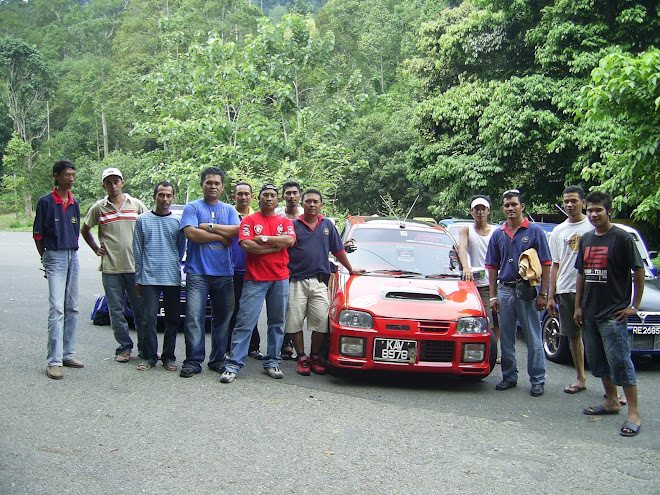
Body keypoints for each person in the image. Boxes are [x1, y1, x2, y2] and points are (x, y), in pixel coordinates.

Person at [574, 191, 644, 437]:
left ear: (609, 211)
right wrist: (578, 306)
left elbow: (638, 270)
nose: (593, 214)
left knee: (620, 362)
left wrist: (634, 305)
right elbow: (581, 273)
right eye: (590, 210)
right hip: (590, 312)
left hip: (613, 314)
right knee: (598, 361)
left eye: (598, 210)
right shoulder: (586, 239)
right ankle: (611, 401)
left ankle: (633, 413)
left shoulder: (622, 238)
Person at [220, 183, 296, 383]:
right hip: (254, 279)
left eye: (272, 195)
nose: (269, 198)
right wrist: (274, 246)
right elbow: (247, 245)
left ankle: (272, 362)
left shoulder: (285, 221)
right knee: (245, 322)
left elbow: (289, 241)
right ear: (258, 198)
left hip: (279, 279)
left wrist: (262, 238)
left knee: (277, 323)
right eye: (265, 195)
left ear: (277, 199)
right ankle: (233, 364)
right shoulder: (249, 220)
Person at [285, 189, 359, 376]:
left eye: (315, 201)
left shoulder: (327, 225)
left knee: (320, 322)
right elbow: (283, 250)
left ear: (321, 205)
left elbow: (338, 251)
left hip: (319, 282)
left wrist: (351, 269)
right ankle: (301, 357)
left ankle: (314, 356)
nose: (311, 204)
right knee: (294, 320)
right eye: (308, 201)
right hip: (296, 281)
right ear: (302, 204)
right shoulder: (293, 225)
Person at [485, 189, 551, 397]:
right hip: (505, 290)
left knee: (532, 336)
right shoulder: (498, 234)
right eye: (506, 205)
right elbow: (492, 266)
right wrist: (493, 295)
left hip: (527, 290)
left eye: (514, 204)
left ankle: (537, 379)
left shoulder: (535, 232)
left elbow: (546, 264)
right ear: (502, 209)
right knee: (506, 337)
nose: (510, 208)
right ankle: (509, 376)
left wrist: (544, 294)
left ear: (522, 207)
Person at [178, 167, 240, 378]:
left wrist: (209, 227)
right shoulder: (192, 207)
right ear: (202, 185)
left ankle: (217, 360)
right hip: (197, 273)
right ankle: (193, 361)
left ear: (222, 187)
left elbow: (237, 232)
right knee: (193, 318)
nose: (213, 186)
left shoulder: (230, 209)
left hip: (224, 274)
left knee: (222, 319)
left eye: (217, 183)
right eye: (208, 182)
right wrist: (220, 236)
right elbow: (191, 233)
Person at [81, 167, 147, 362]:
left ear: (122, 183)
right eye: (108, 182)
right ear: (104, 185)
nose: (113, 185)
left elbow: (147, 227)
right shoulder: (98, 208)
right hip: (111, 268)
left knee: (140, 310)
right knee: (115, 310)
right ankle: (124, 347)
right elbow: (85, 229)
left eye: (116, 181)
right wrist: (95, 248)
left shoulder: (135, 205)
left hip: (135, 267)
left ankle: (145, 349)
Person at [33, 160, 83, 379]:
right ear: (56, 176)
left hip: (73, 255)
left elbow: (75, 231)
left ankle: (67, 354)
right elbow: (37, 234)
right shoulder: (45, 202)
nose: (71, 178)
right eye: (67, 175)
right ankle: (53, 361)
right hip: (54, 255)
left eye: (73, 174)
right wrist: (45, 258)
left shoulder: (75, 202)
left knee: (72, 307)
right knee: (57, 308)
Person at [133, 181, 186, 371]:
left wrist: (171, 264)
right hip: (148, 277)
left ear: (173, 198)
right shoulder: (142, 220)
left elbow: (181, 249)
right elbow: (137, 250)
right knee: (148, 319)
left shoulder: (178, 222)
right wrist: (139, 277)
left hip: (171, 276)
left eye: (169, 195)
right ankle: (149, 356)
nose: (165, 199)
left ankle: (169, 356)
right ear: (155, 196)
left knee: (172, 319)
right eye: (161, 195)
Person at [546, 186, 593, 394]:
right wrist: (550, 295)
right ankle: (580, 378)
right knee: (574, 336)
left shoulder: (593, 226)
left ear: (583, 202)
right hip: (566, 288)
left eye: (573, 201)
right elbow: (555, 264)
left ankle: (614, 388)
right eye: (566, 202)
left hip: (593, 289)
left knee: (600, 337)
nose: (569, 205)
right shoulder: (558, 231)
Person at [457, 195, 499, 362]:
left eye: (483, 209)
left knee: (495, 319)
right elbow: (462, 248)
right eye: (477, 209)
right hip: (474, 283)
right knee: (476, 319)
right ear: (471, 211)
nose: (480, 212)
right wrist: (466, 267)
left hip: (493, 282)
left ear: (488, 211)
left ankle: (494, 351)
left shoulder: (496, 231)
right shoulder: (466, 229)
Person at [227, 181, 263, 359]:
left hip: (252, 271)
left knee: (251, 311)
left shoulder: (257, 218)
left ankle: (253, 347)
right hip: (230, 271)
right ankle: (230, 348)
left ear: (252, 197)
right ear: (234, 196)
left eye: (246, 194)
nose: (243, 197)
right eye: (239, 194)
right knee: (231, 311)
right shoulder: (228, 215)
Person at [275, 180, 303, 359]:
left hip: (300, 266)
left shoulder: (305, 214)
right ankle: (281, 342)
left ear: (300, 195)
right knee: (281, 306)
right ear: (283, 196)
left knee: (295, 306)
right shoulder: (277, 214)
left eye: (295, 193)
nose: (292, 196)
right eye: (288, 193)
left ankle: (289, 341)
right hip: (279, 263)